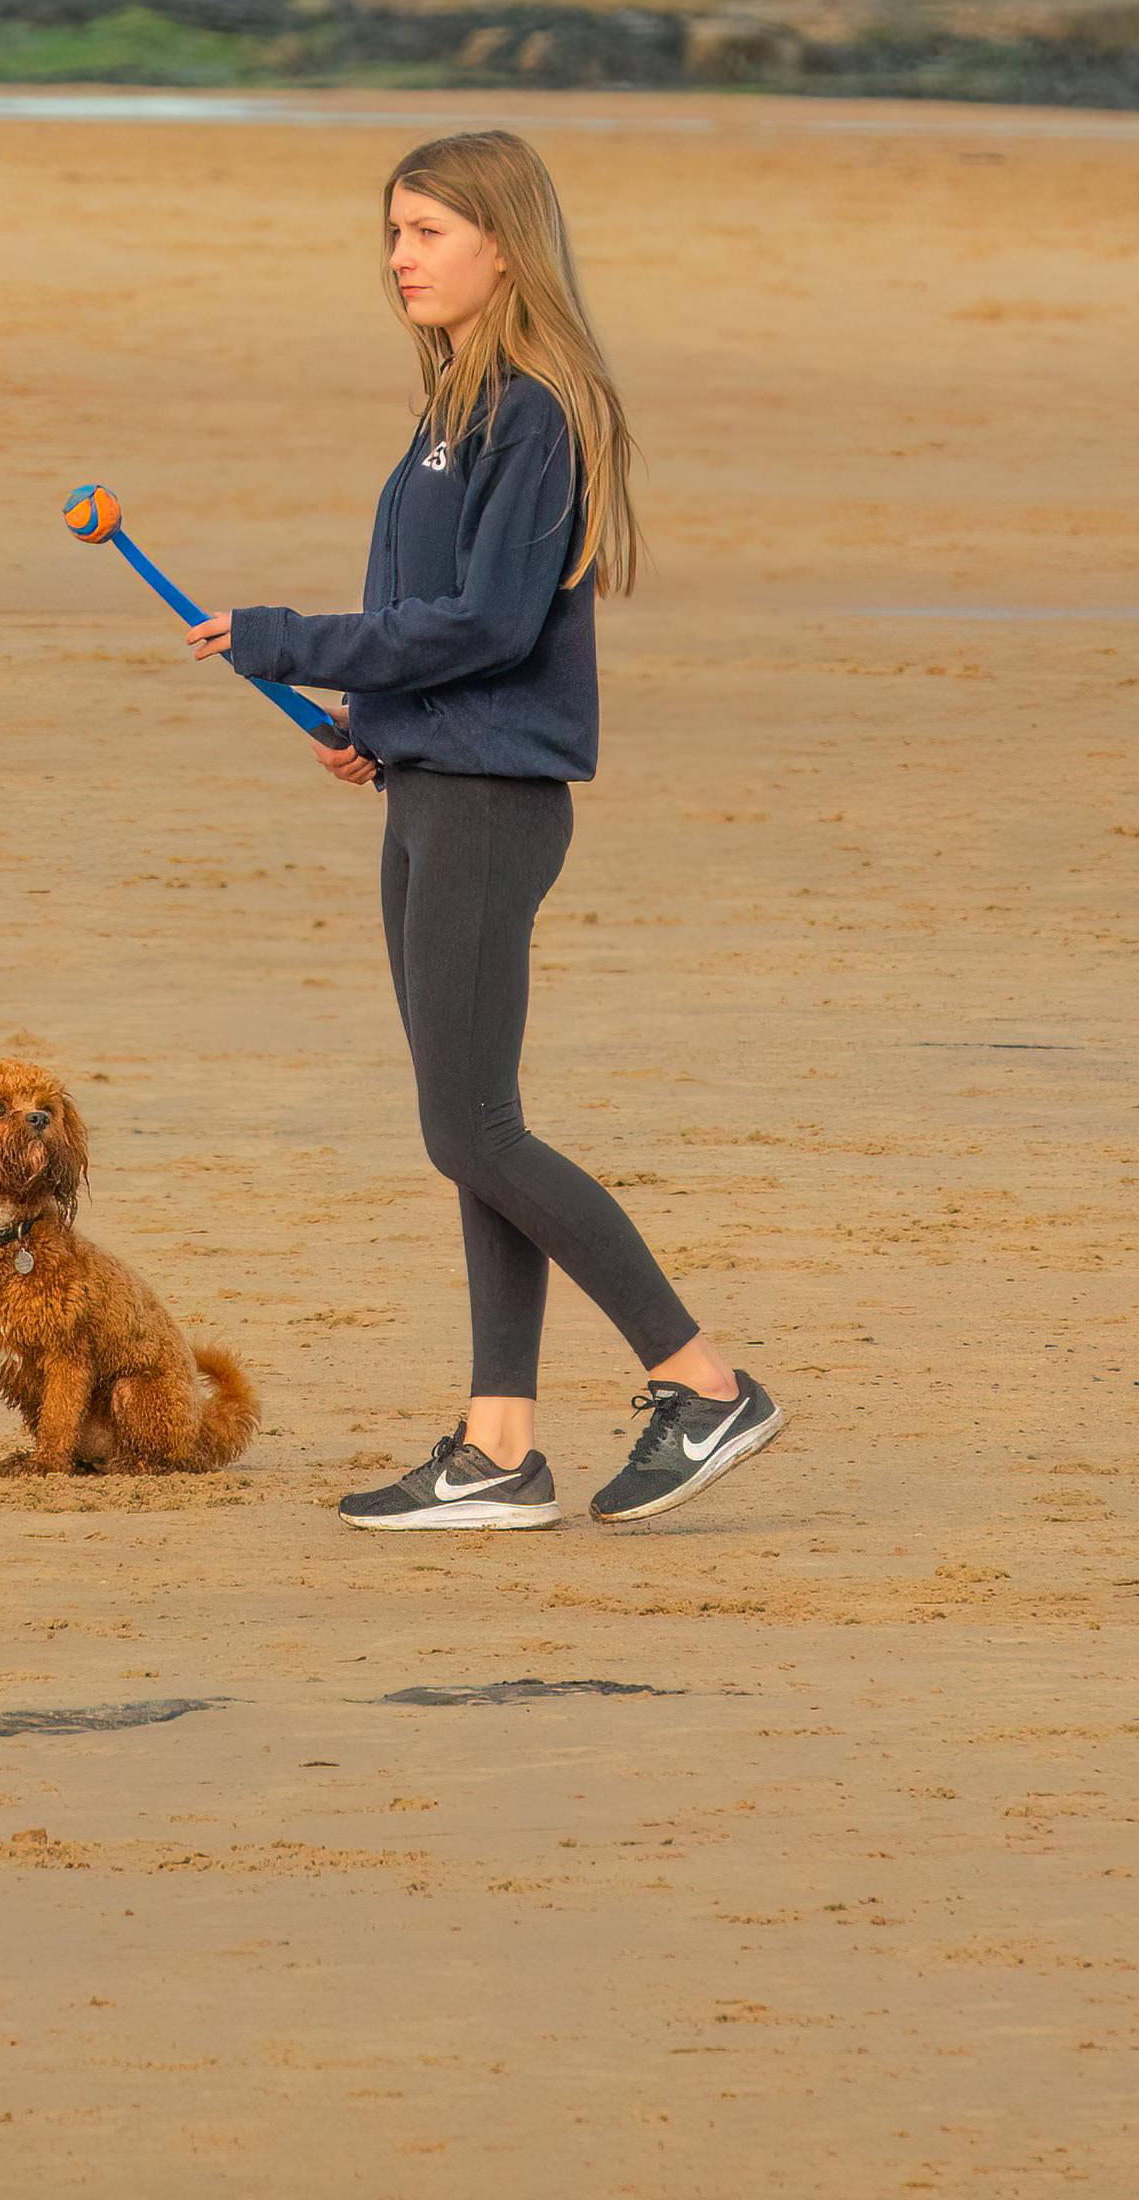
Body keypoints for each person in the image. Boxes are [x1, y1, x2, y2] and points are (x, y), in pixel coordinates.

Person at [180, 129, 784, 1533]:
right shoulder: (452, 407)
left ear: (502, 244)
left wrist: (288, 636)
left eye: (428, 232)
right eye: (391, 232)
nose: (399, 257)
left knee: (477, 1125)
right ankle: (498, 1446)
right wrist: (371, 724)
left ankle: (704, 1382)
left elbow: (490, 627)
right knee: (469, 1132)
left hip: (496, 805)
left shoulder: (534, 412)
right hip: (434, 783)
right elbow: (435, 639)